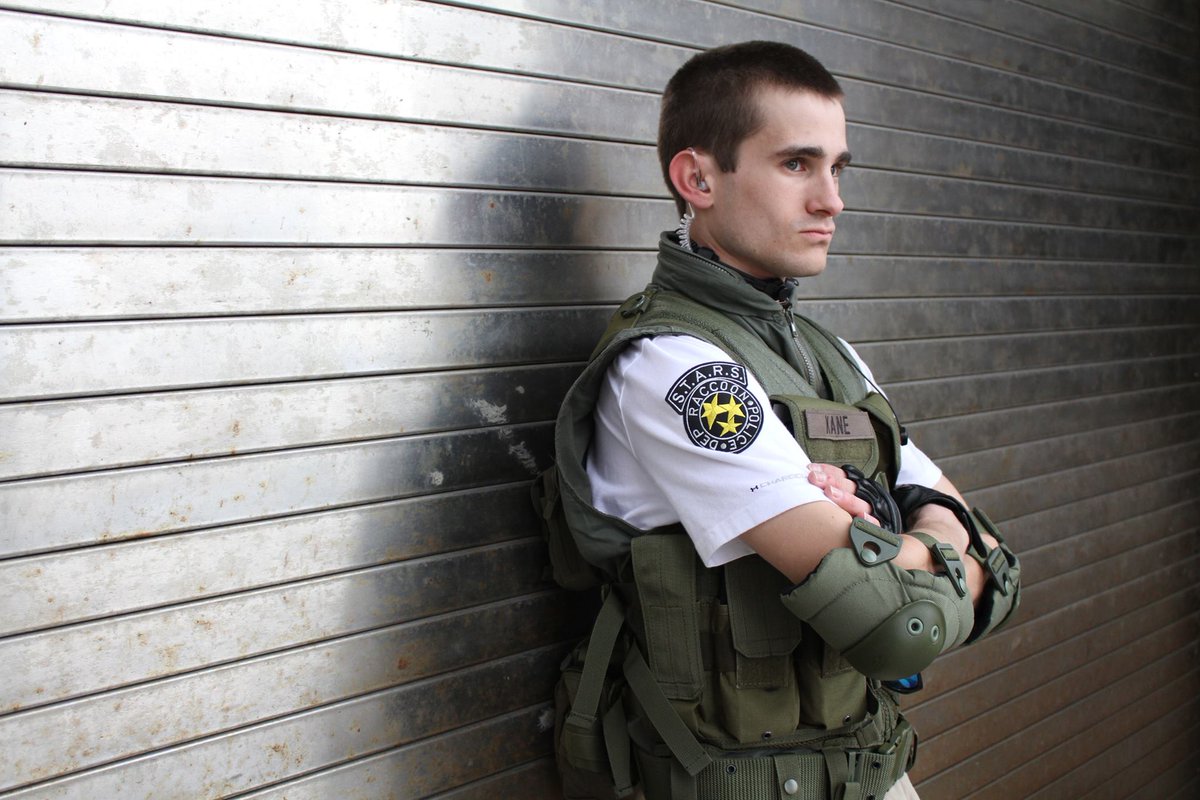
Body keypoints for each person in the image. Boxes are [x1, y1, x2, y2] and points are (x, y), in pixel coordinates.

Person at [538, 40, 1020, 800]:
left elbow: (993, 558)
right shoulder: (676, 368)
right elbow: (898, 624)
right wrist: (935, 545)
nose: (832, 200)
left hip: (862, 764)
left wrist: (896, 539)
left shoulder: (830, 356)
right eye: (798, 164)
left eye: (838, 169)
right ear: (698, 179)